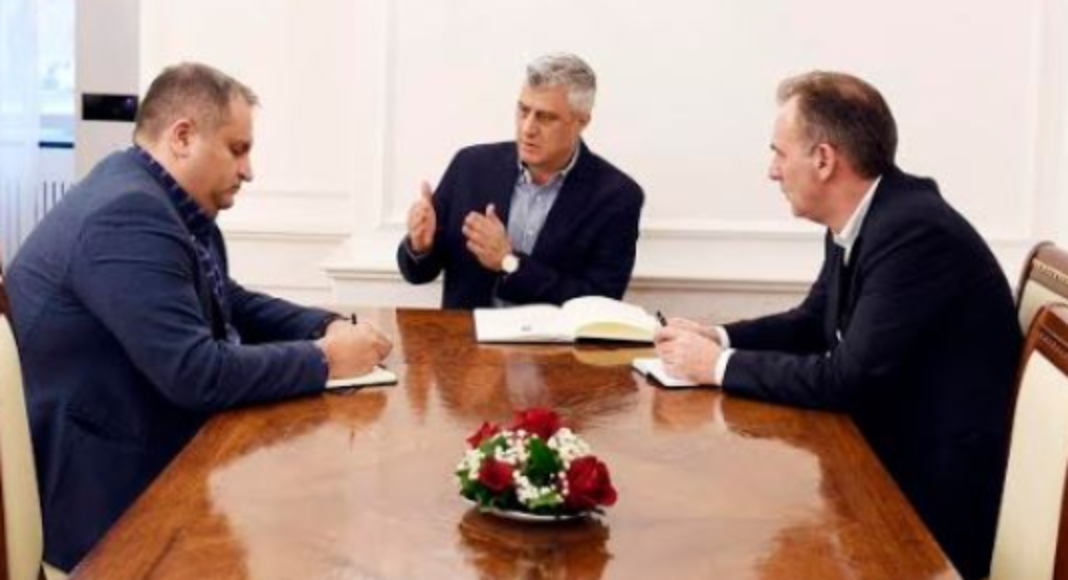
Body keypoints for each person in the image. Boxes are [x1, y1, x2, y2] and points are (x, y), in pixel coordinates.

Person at [5, 62, 392, 571]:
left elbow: (227, 299)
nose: (249, 171)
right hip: (104, 505)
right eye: (238, 149)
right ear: (183, 137)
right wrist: (325, 360)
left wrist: (324, 326)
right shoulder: (127, 215)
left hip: (147, 455)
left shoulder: (158, 197)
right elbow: (195, 373)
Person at [655, 71, 1020, 580]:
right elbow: (811, 323)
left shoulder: (913, 231)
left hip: (929, 501)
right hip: (883, 455)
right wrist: (717, 338)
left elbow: (848, 379)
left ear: (824, 160)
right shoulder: (870, 217)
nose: (772, 171)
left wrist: (716, 366)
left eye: (779, 153)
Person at [396, 53, 644, 309]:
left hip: (553, 336)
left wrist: (509, 262)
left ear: (581, 122)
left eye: (546, 117)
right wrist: (420, 245)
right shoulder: (470, 166)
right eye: (523, 111)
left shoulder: (617, 197)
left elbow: (600, 303)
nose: (528, 128)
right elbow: (418, 273)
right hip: (466, 334)